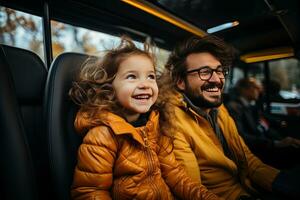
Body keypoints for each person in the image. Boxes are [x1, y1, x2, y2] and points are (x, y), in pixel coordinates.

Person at [69, 36, 219, 199]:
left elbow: (176, 177)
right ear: (109, 87)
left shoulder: (155, 125)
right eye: (132, 77)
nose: (145, 84)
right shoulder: (102, 136)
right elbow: (90, 192)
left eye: (151, 77)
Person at [156, 35, 293, 200]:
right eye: (204, 72)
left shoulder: (219, 109)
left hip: (249, 187)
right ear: (180, 82)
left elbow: (249, 161)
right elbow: (192, 191)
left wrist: (282, 182)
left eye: (219, 70)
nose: (217, 79)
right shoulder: (172, 121)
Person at [226, 77, 300, 168]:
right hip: (258, 149)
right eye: (256, 88)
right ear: (244, 90)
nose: (259, 91)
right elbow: (241, 137)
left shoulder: (252, 106)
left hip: (265, 142)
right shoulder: (235, 108)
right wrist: (275, 143)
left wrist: (281, 126)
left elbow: (264, 122)